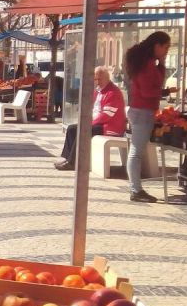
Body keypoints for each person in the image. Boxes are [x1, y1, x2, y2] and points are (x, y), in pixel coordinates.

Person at [125, 31, 171, 203]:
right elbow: (148, 90)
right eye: (165, 47)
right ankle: (135, 190)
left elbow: (155, 82)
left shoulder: (148, 63)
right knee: (136, 152)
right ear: (156, 46)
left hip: (141, 111)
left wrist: (162, 64)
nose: (166, 51)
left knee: (136, 151)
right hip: (142, 111)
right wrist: (164, 92)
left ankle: (135, 188)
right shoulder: (147, 65)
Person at [55, 66, 127, 170]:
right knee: (71, 129)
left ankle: (74, 162)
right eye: (95, 79)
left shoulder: (113, 92)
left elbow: (107, 115)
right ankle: (67, 158)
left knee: (82, 130)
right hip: (98, 124)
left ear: (107, 77)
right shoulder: (99, 91)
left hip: (110, 127)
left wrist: (89, 123)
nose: (97, 82)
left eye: (99, 79)